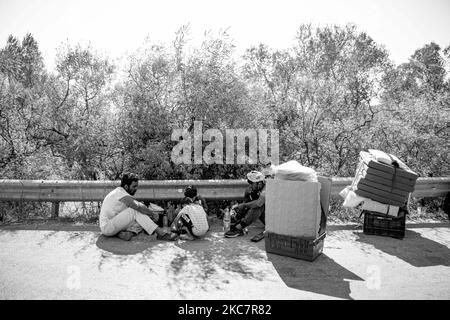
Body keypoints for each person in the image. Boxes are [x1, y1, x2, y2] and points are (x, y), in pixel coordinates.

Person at [99, 173, 178, 241]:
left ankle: (121, 234)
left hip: (113, 225)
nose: (136, 189)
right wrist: (152, 214)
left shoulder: (122, 193)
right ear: (126, 186)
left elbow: (138, 207)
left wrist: (147, 215)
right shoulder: (119, 193)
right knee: (135, 211)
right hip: (107, 227)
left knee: (141, 220)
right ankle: (161, 233)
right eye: (134, 186)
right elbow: (137, 207)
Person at [225, 171, 266, 238]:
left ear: (259, 183)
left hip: (273, 220)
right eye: (249, 183)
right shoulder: (255, 188)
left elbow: (259, 203)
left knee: (258, 206)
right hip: (266, 216)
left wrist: (244, 205)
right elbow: (247, 202)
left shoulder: (266, 188)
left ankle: (239, 228)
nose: (250, 185)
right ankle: (241, 222)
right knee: (249, 200)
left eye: (251, 183)